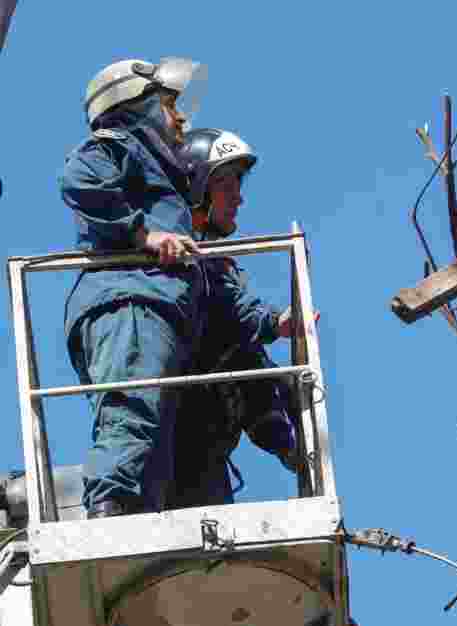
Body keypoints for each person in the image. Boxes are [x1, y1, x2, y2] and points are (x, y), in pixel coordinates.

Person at [60, 59, 299, 518]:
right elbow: (79, 180)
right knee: (133, 411)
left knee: (151, 433)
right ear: (138, 106)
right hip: (133, 299)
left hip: (163, 314)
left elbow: (223, 298)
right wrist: (141, 236)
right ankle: (111, 511)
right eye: (170, 106)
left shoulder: (184, 233)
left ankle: (133, 510)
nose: (181, 118)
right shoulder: (117, 148)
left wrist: (274, 321)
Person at [167, 128, 302, 509]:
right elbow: (228, 316)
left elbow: (244, 363)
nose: (239, 198)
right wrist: (273, 323)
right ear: (197, 189)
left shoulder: (213, 260)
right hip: (175, 445)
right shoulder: (174, 257)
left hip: (204, 450)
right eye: (227, 185)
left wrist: (283, 440)